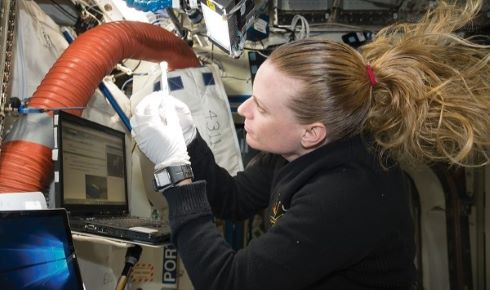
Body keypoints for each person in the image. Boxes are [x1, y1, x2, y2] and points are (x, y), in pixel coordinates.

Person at [130, 0, 490, 289]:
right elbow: (234, 200)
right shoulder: (300, 152)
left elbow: (229, 281)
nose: (244, 110)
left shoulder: (346, 196)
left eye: (262, 107)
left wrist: (176, 175)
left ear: (311, 132)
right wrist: (189, 139)